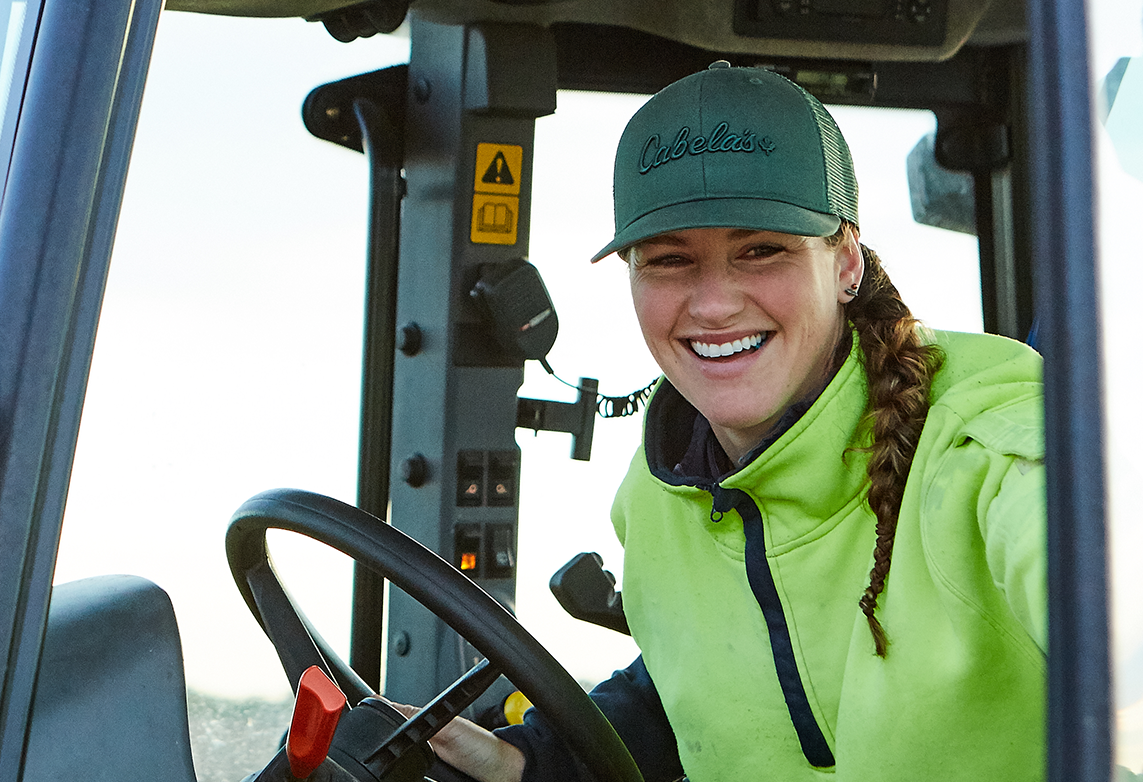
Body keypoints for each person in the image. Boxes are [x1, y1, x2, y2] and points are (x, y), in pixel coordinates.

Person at [418, 63, 1048, 782]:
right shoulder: (657, 496)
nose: (714, 305)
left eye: (761, 251)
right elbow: (703, 675)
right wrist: (526, 763)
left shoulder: (994, 444)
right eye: (670, 260)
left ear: (845, 262)